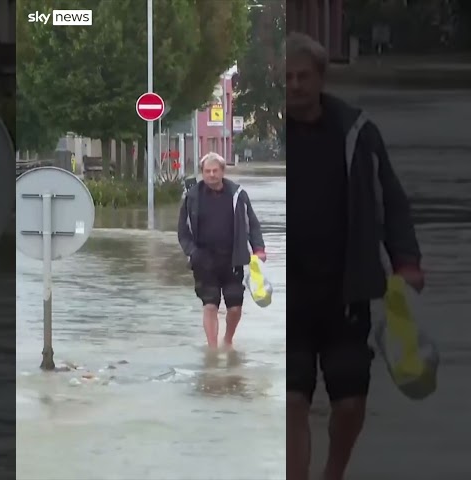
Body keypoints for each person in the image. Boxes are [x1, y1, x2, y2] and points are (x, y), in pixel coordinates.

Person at [286, 32, 425, 480]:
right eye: (286, 77)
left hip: (346, 290)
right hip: (290, 298)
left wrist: (405, 262)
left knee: (350, 404)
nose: (294, 86)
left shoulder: (356, 132)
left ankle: (334, 472)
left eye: (302, 76)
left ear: (321, 78)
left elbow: (392, 200)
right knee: (292, 402)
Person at [177, 152, 267, 351]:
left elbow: (252, 223)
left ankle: (227, 340)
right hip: (204, 260)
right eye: (207, 171)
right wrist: (192, 252)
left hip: (233, 259)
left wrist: (258, 249)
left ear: (223, 171)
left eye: (215, 171)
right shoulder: (192, 197)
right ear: (202, 173)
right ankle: (212, 350)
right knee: (210, 304)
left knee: (235, 307)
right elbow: (183, 231)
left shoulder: (238, 194)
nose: (211, 175)